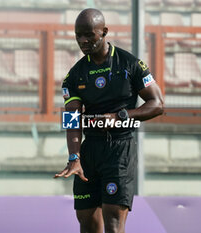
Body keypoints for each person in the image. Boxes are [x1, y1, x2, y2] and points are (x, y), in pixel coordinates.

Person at [54, 8, 164, 233]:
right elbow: (72, 118)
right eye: (78, 35)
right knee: (86, 222)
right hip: (90, 150)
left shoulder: (130, 64)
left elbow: (157, 104)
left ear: (103, 32)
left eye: (89, 35)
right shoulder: (74, 75)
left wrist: (121, 116)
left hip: (119, 148)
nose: (82, 41)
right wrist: (74, 157)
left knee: (113, 221)